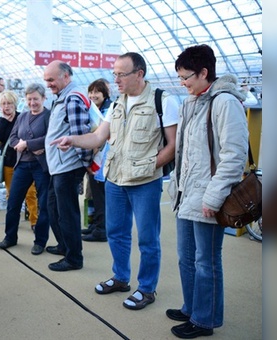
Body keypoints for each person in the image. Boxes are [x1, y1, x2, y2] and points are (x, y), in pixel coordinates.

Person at [51, 52, 179, 306]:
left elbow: (173, 145)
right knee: (117, 233)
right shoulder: (117, 104)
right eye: (114, 74)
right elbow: (98, 137)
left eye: (121, 74)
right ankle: (121, 278)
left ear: (139, 74)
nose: (116, 80)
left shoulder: (163, 101)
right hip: (115, 180)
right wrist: (73, 140)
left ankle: (147, 288)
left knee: (147, 238)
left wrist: (148, 167)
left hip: (144, 183)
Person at [167, 44, 248, 339]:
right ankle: (192, 307)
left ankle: (205, 319)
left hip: (208, 196)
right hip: (187, 193)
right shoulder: (192, 102)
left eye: (186, 76)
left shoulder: (224, 102)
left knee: (206, 260)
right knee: (186, 256)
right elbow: (186, 153)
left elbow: (234, 155)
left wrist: (213, 197)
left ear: (204, 72)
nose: (182, 83)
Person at [43, 60, 92, 272]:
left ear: (66, 76)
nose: (48, 84)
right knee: (54, 208)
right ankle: (64, 245)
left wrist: (85, 165)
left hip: (67, 167)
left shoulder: (72, 99)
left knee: (68, 213)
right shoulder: (62, 97)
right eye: (46, 80)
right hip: (58, 166)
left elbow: (81, 135)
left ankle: (74, 258)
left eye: (51, 79)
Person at [0, 84, 50, 255]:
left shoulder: (49, 116)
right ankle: (10, 236)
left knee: (43, 204)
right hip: (22, 164)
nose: (32, 102)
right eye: (30, 99)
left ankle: (40, 241)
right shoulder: (23, 117)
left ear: (43, 98)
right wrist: (29, 146)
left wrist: (27, 143)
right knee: (13, 202)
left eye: (36, 99)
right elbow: (12, 138)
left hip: (41, 166)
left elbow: (50, 137)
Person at [81, 78, 112, 242]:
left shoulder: (109, 110)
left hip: (102, 157)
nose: (93, 95)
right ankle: (93, 224)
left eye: (97, 92)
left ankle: (101, 228)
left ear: (104, 94)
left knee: (101, 194)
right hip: (93, 155)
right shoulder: (91, 109)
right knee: (91, 193)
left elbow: (102, 135)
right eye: (91, 92)